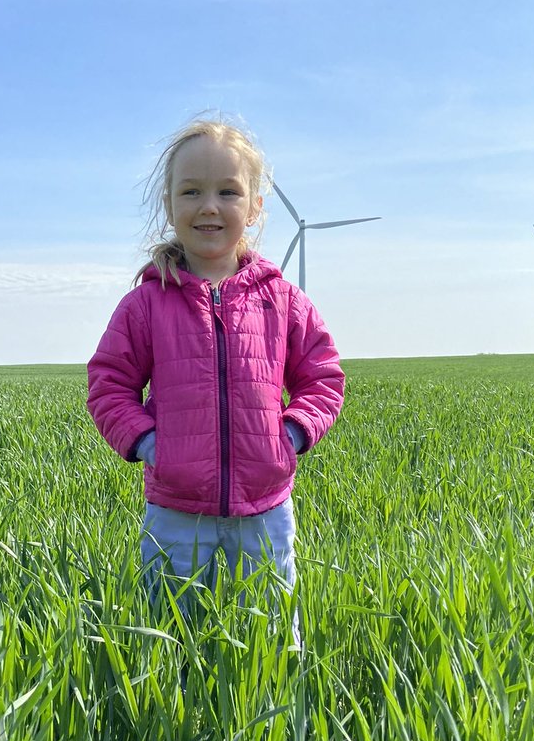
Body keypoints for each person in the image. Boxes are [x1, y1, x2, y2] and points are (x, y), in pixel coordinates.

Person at [87, 118, 344, 646]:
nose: (209, 206)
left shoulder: (283, 301)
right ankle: (169, 725)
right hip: (176, 513)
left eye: (228, 191)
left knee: (271, 641)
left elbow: (323, 377)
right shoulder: (146, 303)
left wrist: (292, 434)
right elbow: (108, 383)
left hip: (265, 509)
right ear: (170, 205)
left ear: (253, 208)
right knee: (167, 638)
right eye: (192, 191)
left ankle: (265, 720)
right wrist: (148, 443)